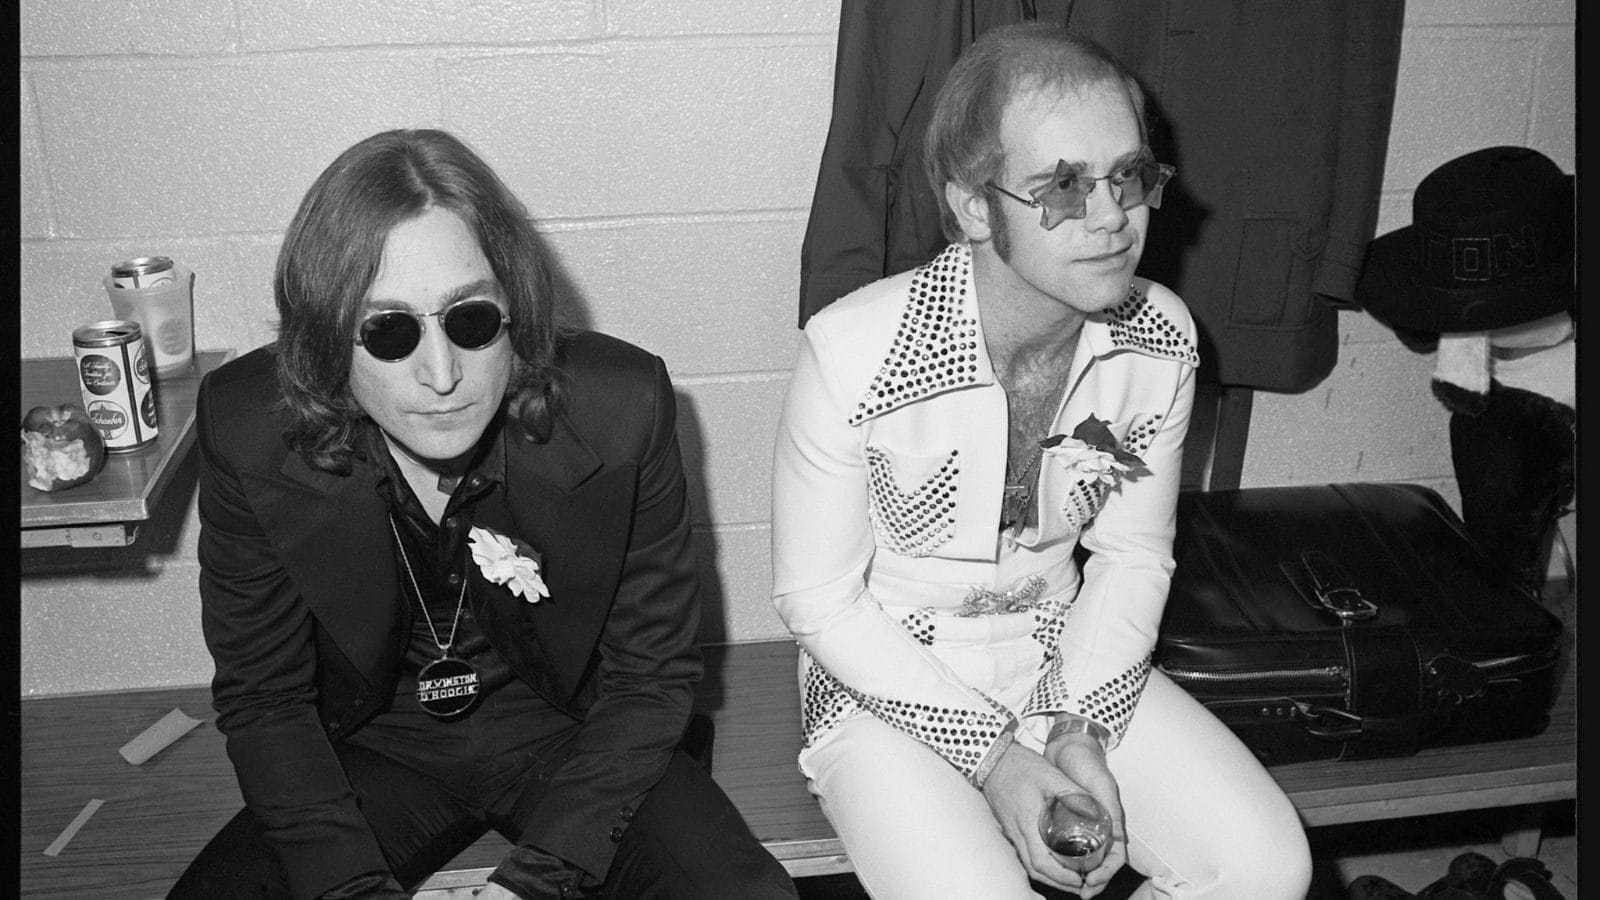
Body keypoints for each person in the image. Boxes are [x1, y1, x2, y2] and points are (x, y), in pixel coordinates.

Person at [169, 128, 798, 900]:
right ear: (327, 340)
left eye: (469, 320)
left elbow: (651, 677)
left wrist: (536, 883)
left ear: (516, 309)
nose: (441, 376)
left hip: (575, 734)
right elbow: (265, 699)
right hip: (368, 748)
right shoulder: (247, 428)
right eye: (388, 331)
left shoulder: (623, 409)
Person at [772, 24, 1311, 900]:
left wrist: (1076, 730)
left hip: (1064, 651)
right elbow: (819, 602)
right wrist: (993, 761)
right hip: (885, 668)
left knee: (1265, 866)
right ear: (975, 207)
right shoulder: (856, 351)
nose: (1110, 218)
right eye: (1061, 188)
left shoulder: (1162, 338)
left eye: (1130, 177)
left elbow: (1133, 557)